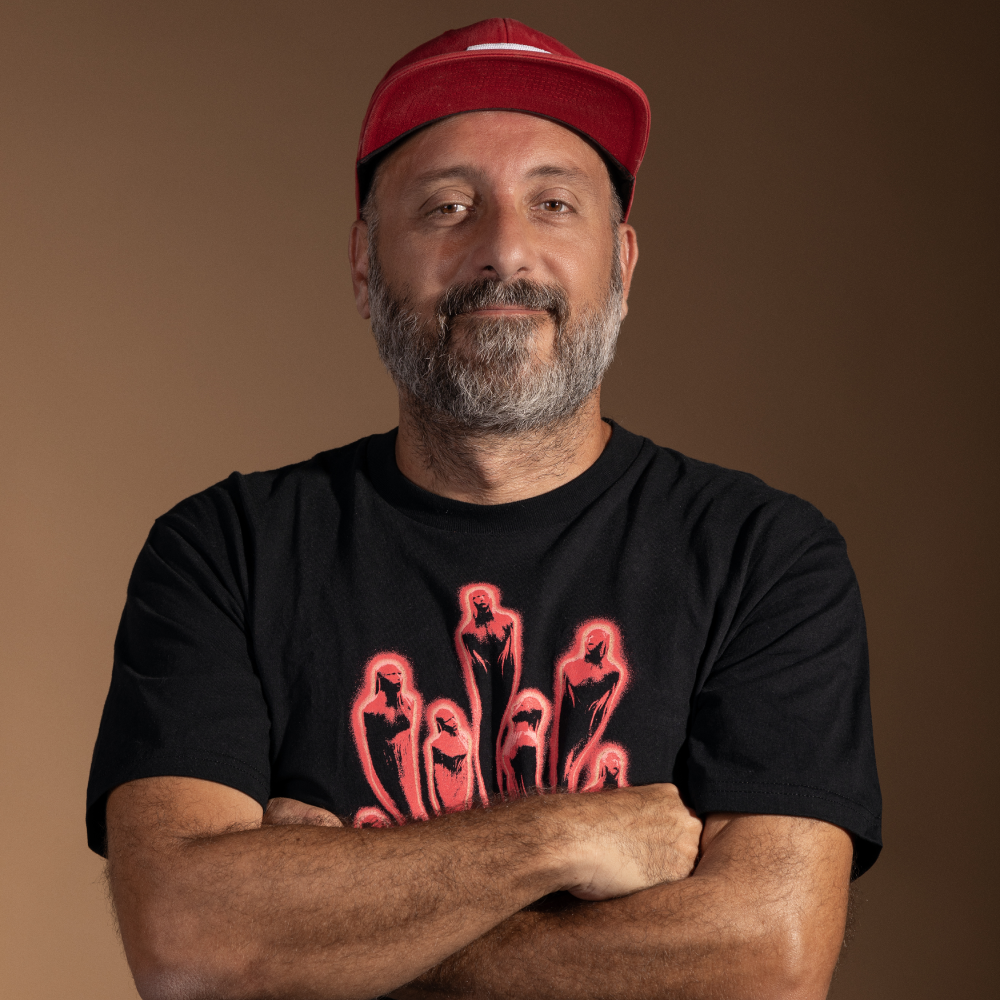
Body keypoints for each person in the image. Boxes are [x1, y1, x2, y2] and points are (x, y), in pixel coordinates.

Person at [87, 18, 881, 1000]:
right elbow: (189, 941)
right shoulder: (225, 553)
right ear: (364, 264)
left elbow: (768, 957)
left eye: (554, 203)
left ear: (623, 264)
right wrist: (563, 835)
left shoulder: (765, 557)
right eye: (447, 206)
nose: (504, 250)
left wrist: (327, 930)